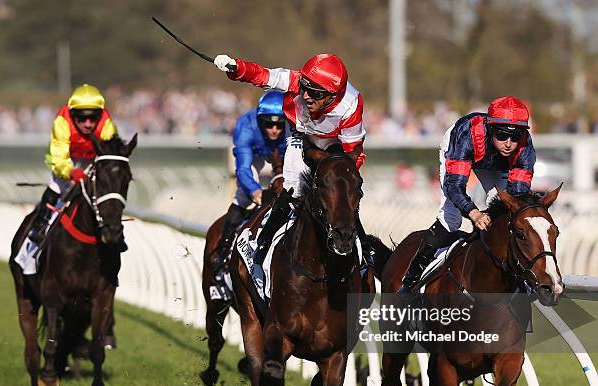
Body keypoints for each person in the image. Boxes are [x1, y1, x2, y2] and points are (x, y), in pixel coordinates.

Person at [212, 52, 372, 266]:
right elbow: (264, 76)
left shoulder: (351, 105)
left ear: (333, 95)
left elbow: (353, 153)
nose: (305, 96)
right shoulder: (298, 82)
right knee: (291, 191)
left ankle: (365, 254)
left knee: (341, 192)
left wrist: (341, 179)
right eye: (305, 88)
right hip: (300, 135)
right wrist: (237, 68)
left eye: (314, 93)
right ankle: (261, 247)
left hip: (332, 142)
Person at [397, 96, 536, 298]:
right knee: (451, 219)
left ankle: (518, 279)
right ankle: (410, 280)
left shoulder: (524, 148)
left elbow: (517, 198)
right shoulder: (466, 135)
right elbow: (454, 187)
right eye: (502, 135)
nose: (508, 144)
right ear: (490, 128)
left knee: (509, 216)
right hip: (465, 150)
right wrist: (474, 213)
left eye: (515, 137)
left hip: (495, 163)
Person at [28, 84, 117, 244]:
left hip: (94, 158)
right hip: (68, 158)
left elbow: (110, 157)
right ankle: (40, 225)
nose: (88, 124)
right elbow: (59, 158)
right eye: (82, 118)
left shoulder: (106, 125)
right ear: (73, 115)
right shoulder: (62, 122)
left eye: (93, 118)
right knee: (58, 185)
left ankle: (115, 230)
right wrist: (71, 172)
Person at [212, 90, 287, 277]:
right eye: (269, 124)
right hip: (256, 159)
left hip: (283, 159)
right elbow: (243, 168)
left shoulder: (293, 126)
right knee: (244, 197)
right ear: (260, 121)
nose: (275, 130)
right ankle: (222, 250)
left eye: (279, 124)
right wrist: (255, 191)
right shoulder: (245, 126)